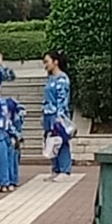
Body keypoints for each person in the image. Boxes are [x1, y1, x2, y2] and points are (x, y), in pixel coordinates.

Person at [43, 51, 74, 181]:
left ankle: (65, 170)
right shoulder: (51, 78)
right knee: (51, 141)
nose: (45, 65)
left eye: (47, 61)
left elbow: (62, 99)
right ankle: (55, 169)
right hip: (48, 113)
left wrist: (59, 116)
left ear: (55, 62)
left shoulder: (62, 79)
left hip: (58, 115)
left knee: (61, 140)